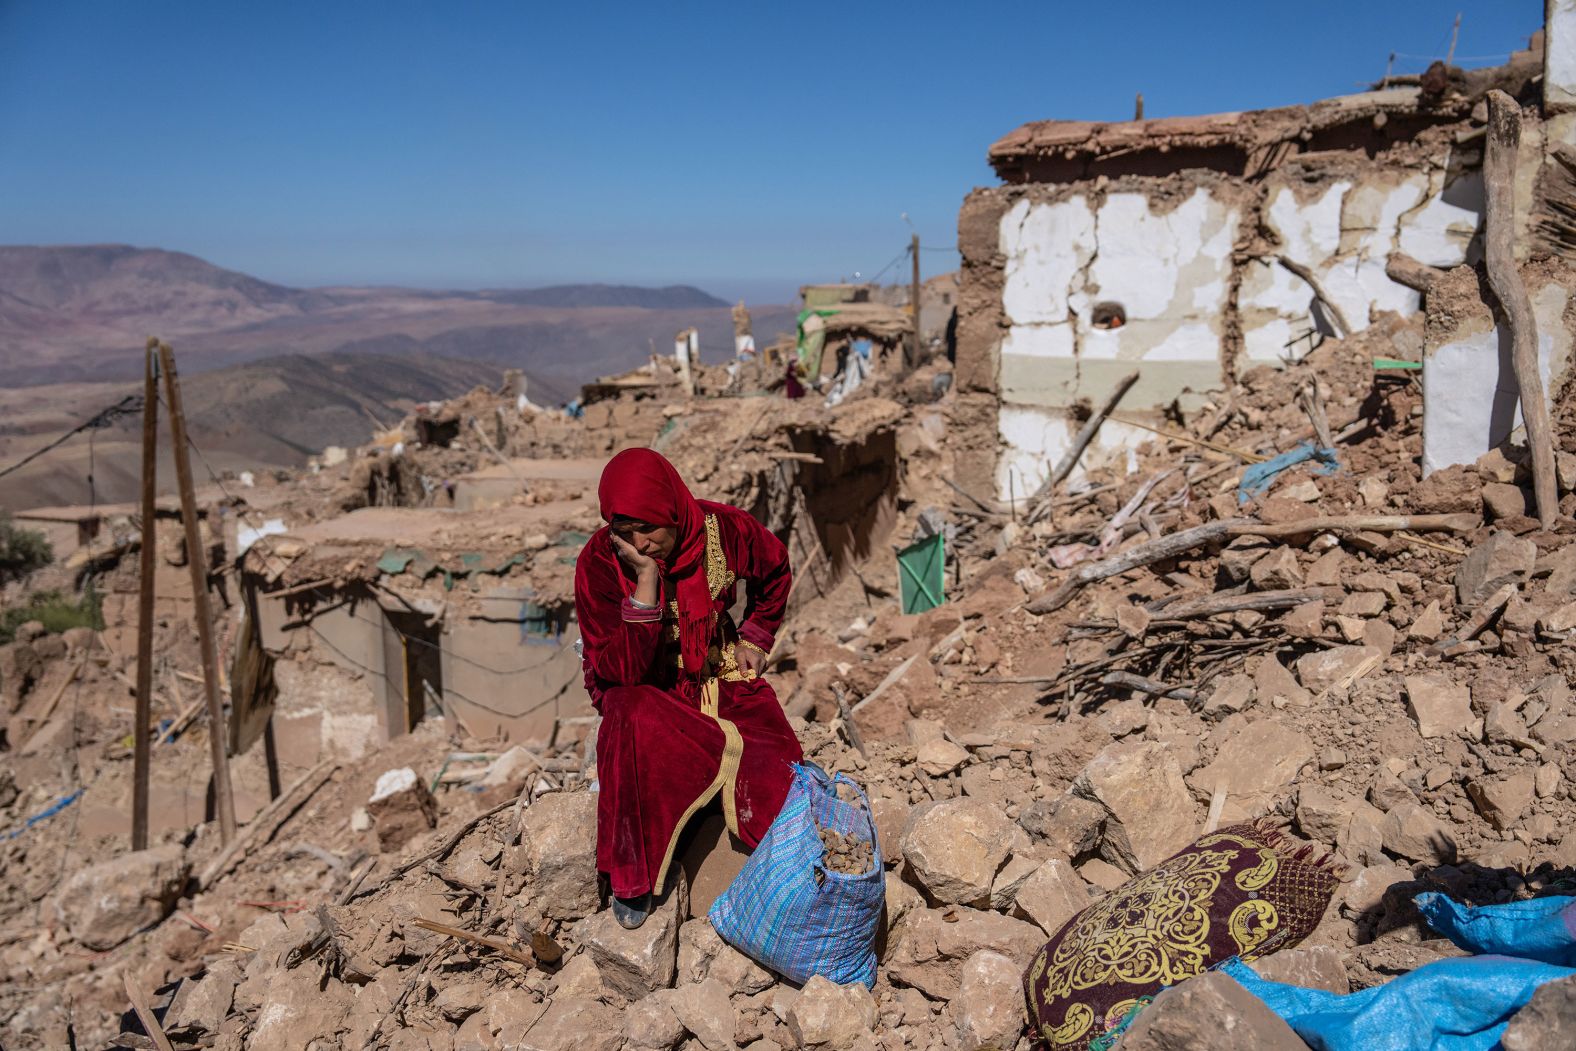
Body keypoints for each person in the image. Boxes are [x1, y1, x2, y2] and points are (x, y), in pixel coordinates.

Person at [574, 448, 803, 929]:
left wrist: (757, 636)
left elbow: (776, 569)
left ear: (672, 512)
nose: (639, 542)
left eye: (649, 529)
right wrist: (646, 582)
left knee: (779, 781)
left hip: (715, 670)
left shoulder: (725, 530)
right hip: (645, 690)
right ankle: (634, 879)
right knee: (629, 720)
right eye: (623, 530)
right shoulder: (600, 562)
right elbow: (621, 670)